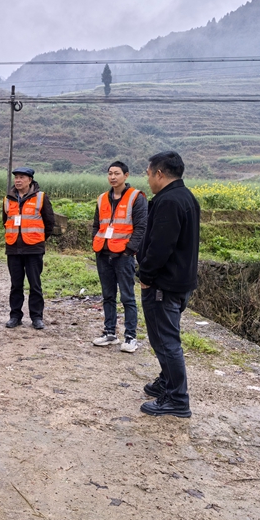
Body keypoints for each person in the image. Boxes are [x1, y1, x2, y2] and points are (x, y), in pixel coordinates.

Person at [137, 151, 200, 418]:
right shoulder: (185, 197)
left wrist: (146, 276)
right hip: (180, 281)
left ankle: (177, 399)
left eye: (149, 173)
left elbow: (161, 246)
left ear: (159, 174)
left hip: (164, 284)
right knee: (165, 338)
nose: (148, 178)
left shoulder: (169, 202)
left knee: (166, 341)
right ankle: (167, 380)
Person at [92, 161, 148, 353]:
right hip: (103, 254)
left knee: (127, 297)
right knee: (108, 295)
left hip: (123, 256)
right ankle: (109, 332)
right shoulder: (102, 199)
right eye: (110, 173)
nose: (113, 177)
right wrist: (96, 244)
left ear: (126, 175)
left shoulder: (135, 197)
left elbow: (141, 227)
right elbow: (96, 224)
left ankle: (130, 336)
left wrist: (129, 250)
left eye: (116, 173)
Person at [3, 167, 55, 330]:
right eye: (16, 177)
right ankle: (15, 316)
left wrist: (38, 239)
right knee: (16, 284)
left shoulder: (41, 198)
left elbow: (49, 223)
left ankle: (37, 317)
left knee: (35, 284)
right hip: (13, 248)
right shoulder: (8, 199)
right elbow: (5, 220)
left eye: (21, 178)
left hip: (33, 249)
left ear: (30, 180)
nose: (18, 180)